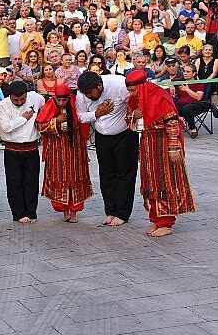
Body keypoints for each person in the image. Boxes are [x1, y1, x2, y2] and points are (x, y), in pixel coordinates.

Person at [125, 70, 196, 237]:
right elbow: (130, 122)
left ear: (142, 86)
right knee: (151, 184)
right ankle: (157, 220)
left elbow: (172, 123)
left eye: (133, 90)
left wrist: (173, 147)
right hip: (147, 145)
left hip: (163, 145)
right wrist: (133, 115)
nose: (131, 94)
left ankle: (166, 222)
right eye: (129, 90)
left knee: (165, 183)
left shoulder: (159, 96)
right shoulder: (136, 100)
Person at [76, 72, 139, 226]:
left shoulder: (118, 84)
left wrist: (133, 116)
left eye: (91, 93)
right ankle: (110, 211)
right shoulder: (82, 93)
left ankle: (123, 213)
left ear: (99, 86)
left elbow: (135, 100)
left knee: (125, 174)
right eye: (86, 94)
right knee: (106, 174)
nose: (89, 96)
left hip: (124, 135)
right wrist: (97, 113)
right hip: (101, 137)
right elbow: (80, 116)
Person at [35, 84, 93, 223]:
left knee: (76, 176)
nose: (61, 103)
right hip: (57, 149)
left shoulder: (76, 105)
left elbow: (83, 122)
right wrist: (56, 121)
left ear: (69, 97)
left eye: (64, 100)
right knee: (59, 176)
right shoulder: (49, 105)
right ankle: (64, 210)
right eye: (59, 100)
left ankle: (74, 211)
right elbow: (40, 125)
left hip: (75, 148)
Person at [0, 81, 45, 224]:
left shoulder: (35, 97)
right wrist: (23, 118)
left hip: (31, 147)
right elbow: (6, 127)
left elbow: (46, 105)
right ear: (10, 96)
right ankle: (18, 213)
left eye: (22, 99)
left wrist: (41, 119)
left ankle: (31, 212)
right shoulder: (4, 105)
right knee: (14, 183)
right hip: (12, 148)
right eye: (15, 100)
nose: (19, 102)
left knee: (32, 182)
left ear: (27, 94)